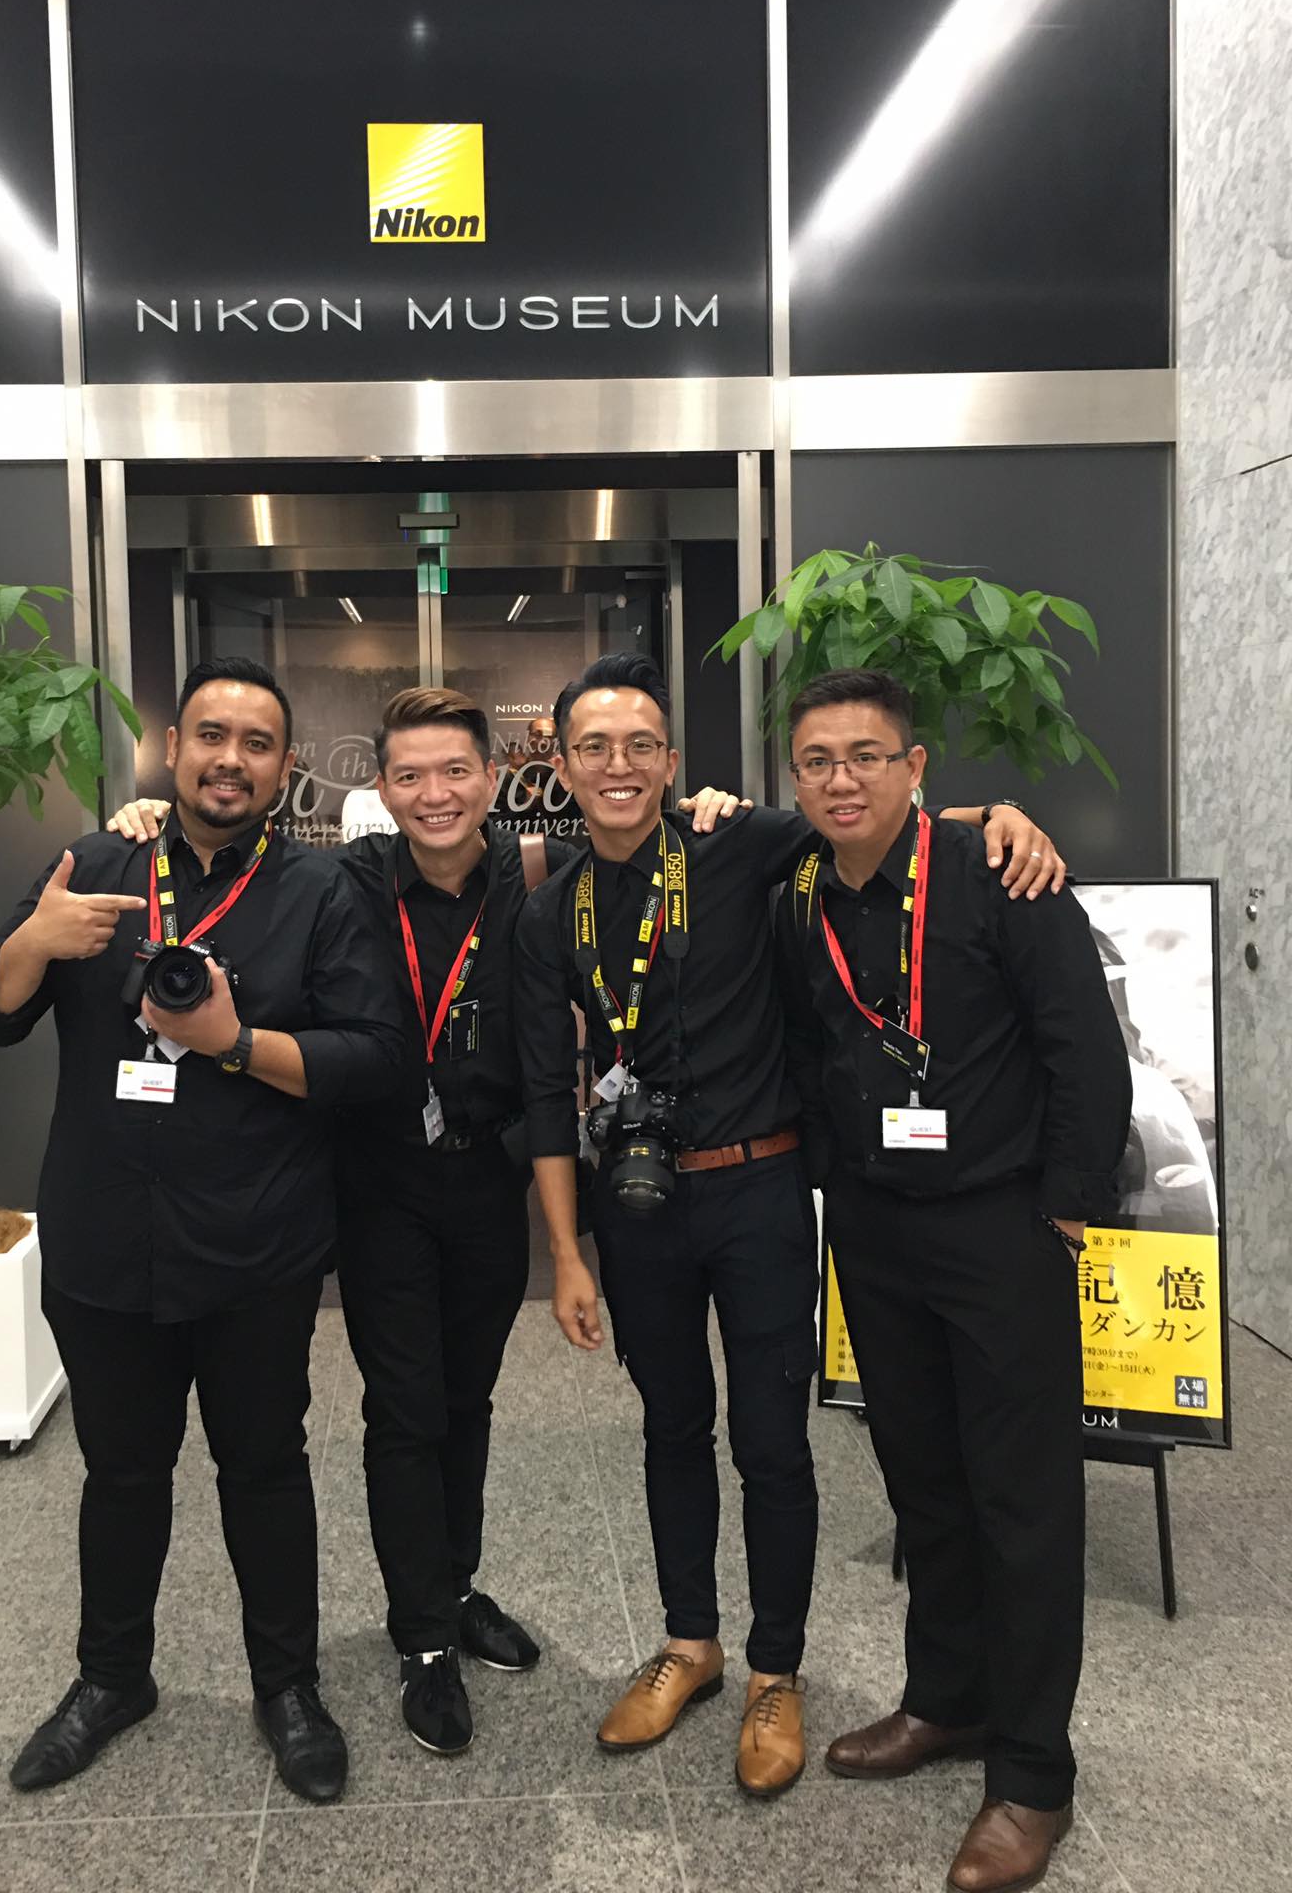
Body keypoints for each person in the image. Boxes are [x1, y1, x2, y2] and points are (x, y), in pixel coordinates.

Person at [107, 685, 747, 1757]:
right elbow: (223, 854)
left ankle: (454, 1584)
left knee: (469, 1399)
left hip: (490, 1177)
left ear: (493, 780)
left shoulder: (539, 877)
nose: (435, 793)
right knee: (405, 1411)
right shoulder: (343, 880)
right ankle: (422, 1640)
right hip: (380, 1181)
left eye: (456, 771)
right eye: (410, 775)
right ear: (381, 788)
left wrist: (712, 808)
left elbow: (656, 856)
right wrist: (140, 817)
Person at [512, 651, 1063, 1801]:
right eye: (594, 747)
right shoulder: (550, 906)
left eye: (641, 744)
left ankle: (775, 1668)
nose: (618, 765)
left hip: (758, 1193)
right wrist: (565, 1253)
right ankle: (690, 1641)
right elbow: (542, 1096)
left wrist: (1000, 815)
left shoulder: (738, 843)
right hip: (636, 1206)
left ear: (672, 759)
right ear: (560, 766)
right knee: (671, 1427)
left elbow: (874, 816)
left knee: (770, 1439)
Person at [0, 658, 405, 1805]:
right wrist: (36, 939)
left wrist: (232, 1042)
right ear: (173, 748)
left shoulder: (321, 889)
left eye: (256, 741)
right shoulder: (95, 869)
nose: (229, 759)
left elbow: (373, 1058)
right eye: (211, 734)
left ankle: (288, 1687)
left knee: (265, 1467)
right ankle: (112, 1678)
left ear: (285, 767)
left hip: (256, 1244)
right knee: (121, 1472)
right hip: (104, 1240)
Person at [774, 668, 1131, 1893]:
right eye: (818, 759)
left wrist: (1068, 1206)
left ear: (916, 766)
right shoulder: (802, 894)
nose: (842, 779)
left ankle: (1032, 1774)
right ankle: (947, 1698)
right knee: (924, 1478)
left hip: (1001, 1227)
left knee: (1022, 1499)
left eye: (866, 755)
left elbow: (1083, 1042)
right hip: (875, 1230)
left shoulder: (1000, 873)